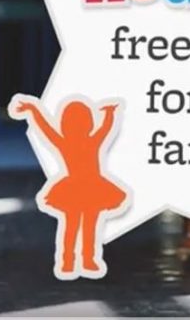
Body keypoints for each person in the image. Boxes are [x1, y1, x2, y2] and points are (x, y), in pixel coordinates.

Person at [9, 95, 127, 279]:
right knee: (83, 225)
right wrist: (110, 114)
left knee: (78, 225)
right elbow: (104, 129)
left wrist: (33, 110)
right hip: (84, 189)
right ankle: (75, 261)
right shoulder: (85, 142)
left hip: (88, 188)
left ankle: (76, 261)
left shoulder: (68, 142)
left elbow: (46, 128)